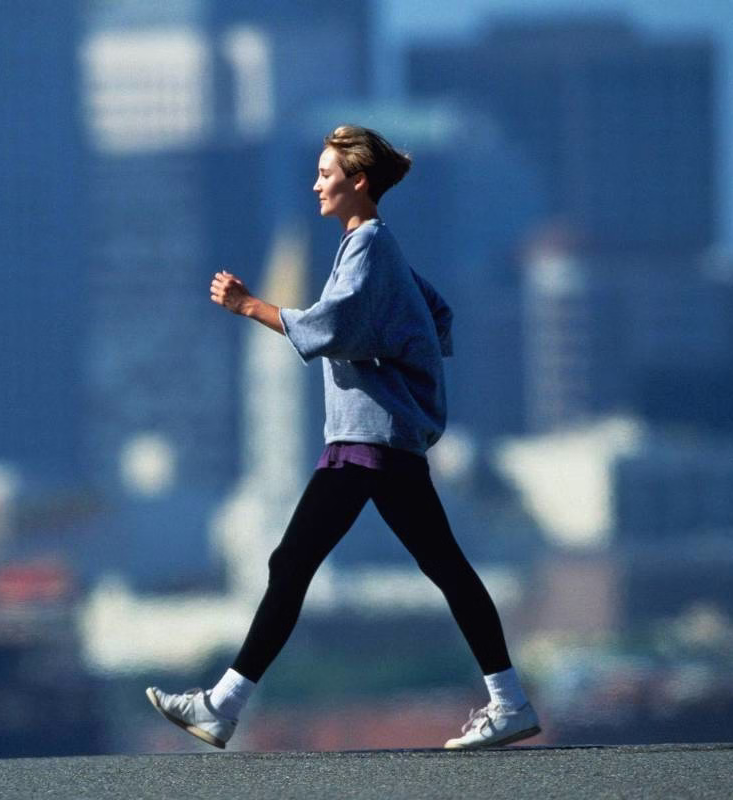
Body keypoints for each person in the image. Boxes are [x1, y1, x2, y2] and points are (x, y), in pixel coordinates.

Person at [145, 125, 540, 750]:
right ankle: (509, 701)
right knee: (439, 567)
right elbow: (434, 313)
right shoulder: (372, 247)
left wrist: (249, 306)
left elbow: (333, 325)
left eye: (326, 174)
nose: (316, 185)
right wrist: (403, 359)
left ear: (358, 182)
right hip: (379, 438)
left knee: (295, 562)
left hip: (366, 442)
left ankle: (221, 706)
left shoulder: (369, 247)